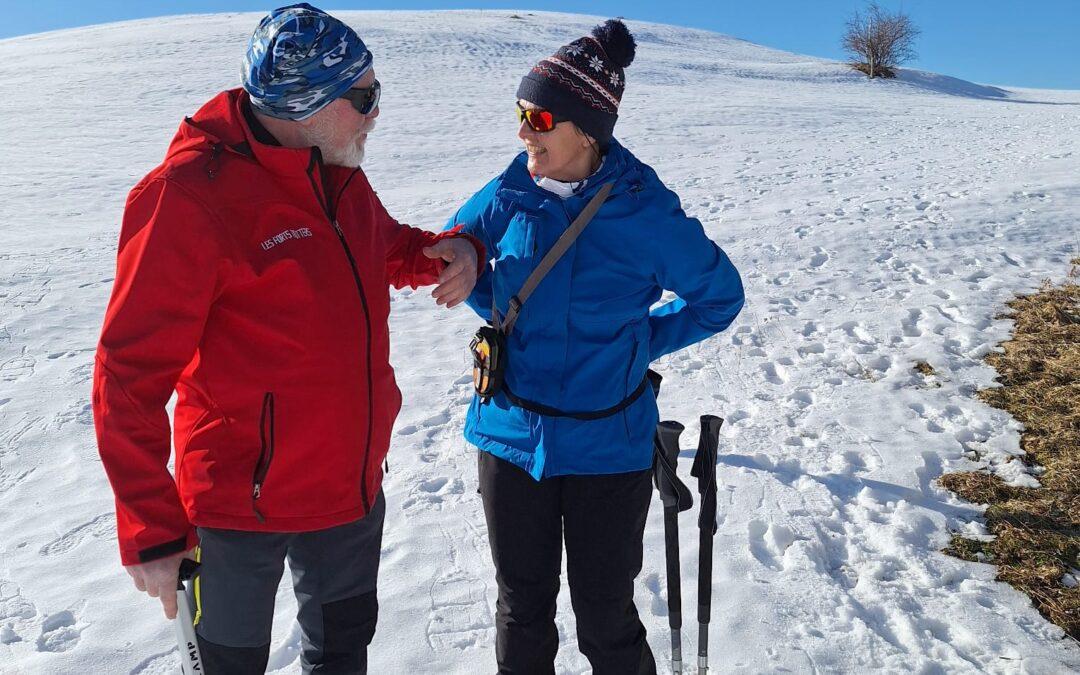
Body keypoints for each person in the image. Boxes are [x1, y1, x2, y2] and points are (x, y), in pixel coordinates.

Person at [91, 4, 483, 673]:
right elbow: (127, 374)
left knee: (341, 653)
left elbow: (381, 245)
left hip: (346, 494)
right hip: (238, 510)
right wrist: (152, 526)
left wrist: (452, 253)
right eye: (363, 97)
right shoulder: (189, 197)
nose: (375, 112)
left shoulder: (336, 174)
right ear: (305, 103)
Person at [446, 19, 745, 674]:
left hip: (609, 447)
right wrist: (479, 287)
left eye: (539, 116)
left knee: (606, 616)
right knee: (522, 610)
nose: (523, 131)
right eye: (520, 113)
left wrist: (644, 340)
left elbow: (720, 297)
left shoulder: (645, 211)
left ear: (588, 129)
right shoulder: (510, 189)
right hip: (512, 440)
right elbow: (456, 252)